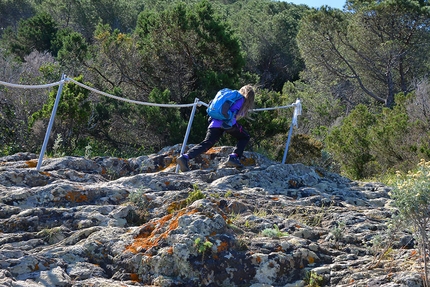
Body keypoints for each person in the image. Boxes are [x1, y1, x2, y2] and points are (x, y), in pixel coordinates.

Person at [177, 85, 255, 172]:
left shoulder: (228, 96)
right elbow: (236, 116)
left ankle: (185, 157)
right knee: (244, 137)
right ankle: (234, 157)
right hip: (227, 123)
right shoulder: (242, 100)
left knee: (208, 143)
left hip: (214, 123)